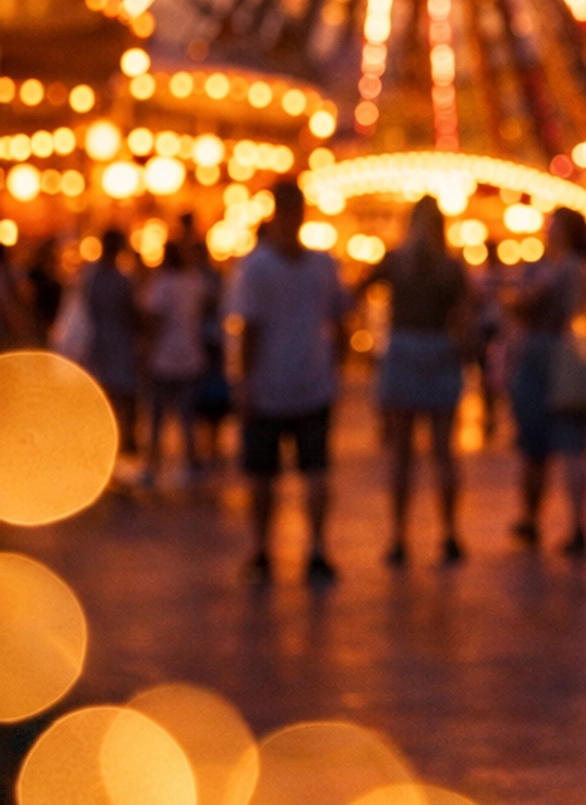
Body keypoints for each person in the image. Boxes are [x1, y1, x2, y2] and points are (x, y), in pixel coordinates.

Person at [227, 179, 348, 582]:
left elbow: (249, 330)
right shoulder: (322, 264)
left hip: (270, 384)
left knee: (264, 475)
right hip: (313, 380)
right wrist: (336, 370)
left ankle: (262, 551)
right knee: (314, 471)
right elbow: (340, 320)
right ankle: (316, 550)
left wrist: (243, 383)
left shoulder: (257, 266)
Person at [366, 196, 469, 566]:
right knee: (443, 453)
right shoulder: (450, 267)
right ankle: (449, 534)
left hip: (404, 350)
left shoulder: (396, 261)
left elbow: (361, 289)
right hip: (439, 351)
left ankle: (398, 537)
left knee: (402, 455)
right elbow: (465, 315)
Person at [509, 206, 586, 554]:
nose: (547, 231)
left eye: (553, 226)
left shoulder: (562, 269)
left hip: (547, 357)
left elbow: (524, 305)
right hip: (569, 358)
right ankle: (566, 523)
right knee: (566, 444)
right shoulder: (582, 269)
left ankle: (539, 521)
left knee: (541, 446)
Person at [138, 240, 210, 486]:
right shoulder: (193, 281)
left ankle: (151, 466)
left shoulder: (162, 284)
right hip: (190, 354)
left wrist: (146, 350)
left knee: (156, 414)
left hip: (164, 356)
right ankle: (190, 463)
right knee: (187, 414)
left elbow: (153, 319)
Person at [85, 227, 141, 464]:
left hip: (101, 342)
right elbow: (131, 312)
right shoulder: (119, 279)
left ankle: (109, 447)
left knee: (108, 396)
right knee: (123, 396)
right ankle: (121, 444)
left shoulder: (91, 277)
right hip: (117, 342)